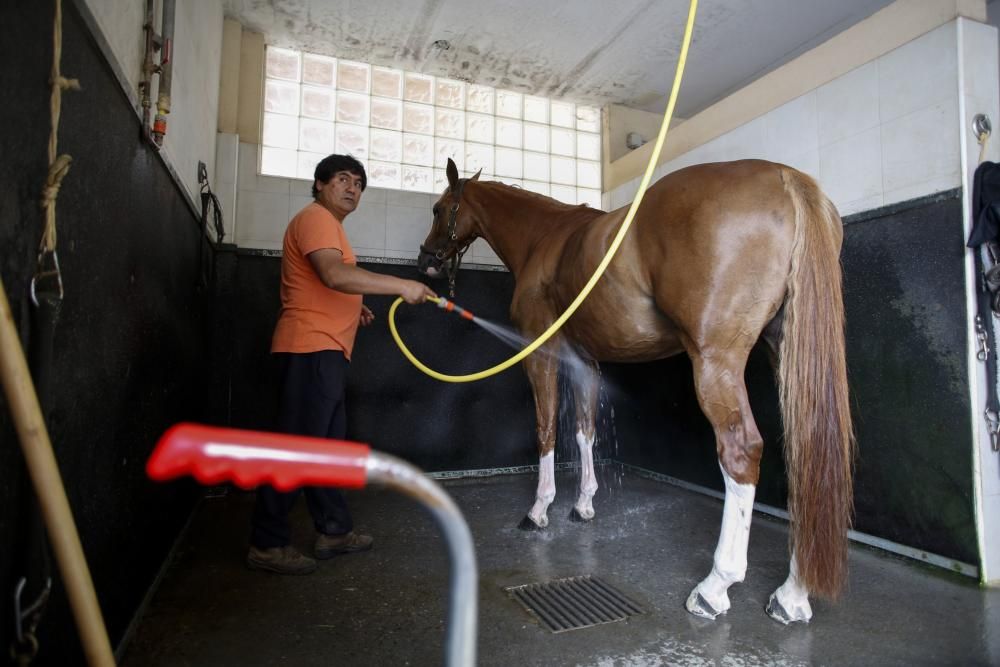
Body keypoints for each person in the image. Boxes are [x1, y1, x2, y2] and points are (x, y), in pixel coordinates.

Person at [247, 154, 437, 575]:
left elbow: (329, 283)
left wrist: (356, 307)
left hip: (324, 350)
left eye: (359, 184)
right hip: (310, 348)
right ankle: (267, 542)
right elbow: (333, 275)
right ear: (319, 184)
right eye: (343, 180)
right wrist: (401, 285)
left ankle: (334, 529)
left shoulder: (329, 228)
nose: (353, 189)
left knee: (326, 448)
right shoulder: (316, 219)